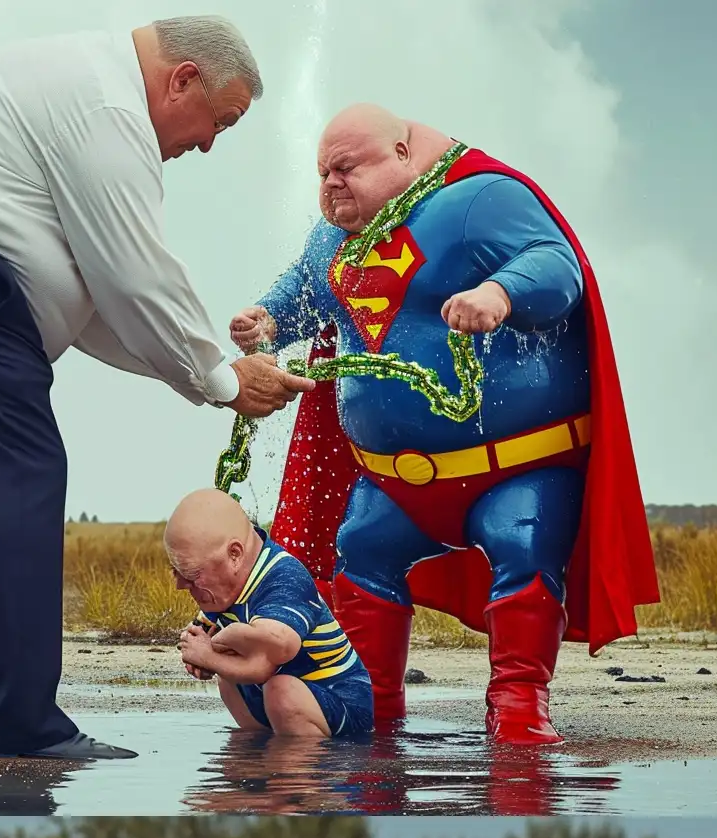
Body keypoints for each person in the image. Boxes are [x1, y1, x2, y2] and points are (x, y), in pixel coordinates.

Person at [0, 15, 314, 762]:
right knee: (18, 467)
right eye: (218, 123)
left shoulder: (74, 89)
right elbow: (138, 278)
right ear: (183, 79)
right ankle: (15, 722)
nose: (206, 143)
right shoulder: (110, 110)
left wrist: (204, 376)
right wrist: (223, 379)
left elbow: (98, 303)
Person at [234, 104, 657, 744]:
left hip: (513, 470)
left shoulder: (479, 200)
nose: (331, 185)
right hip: (392, 483)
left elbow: (555, 264)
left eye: (347, 167)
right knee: (363, 551)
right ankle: (368, 703)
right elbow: (302, 293)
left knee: (523, 550)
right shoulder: (334, 237)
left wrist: (500, 294)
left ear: (402, 155)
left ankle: (518, 705)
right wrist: (264, 319)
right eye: (323, 172)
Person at [165, 488, 373, 740]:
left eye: (192, 574)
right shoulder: (221, 590)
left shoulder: (284, 578)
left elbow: (269, 658)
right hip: (276, 698)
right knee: (230, 679)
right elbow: (202, 636)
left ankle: (298, 773)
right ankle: (256, 753)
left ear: (234, 554)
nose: (180, 585)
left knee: (281, 689)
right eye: (175, 571)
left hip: (338, 698)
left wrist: (212, 653)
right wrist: (200, 656)